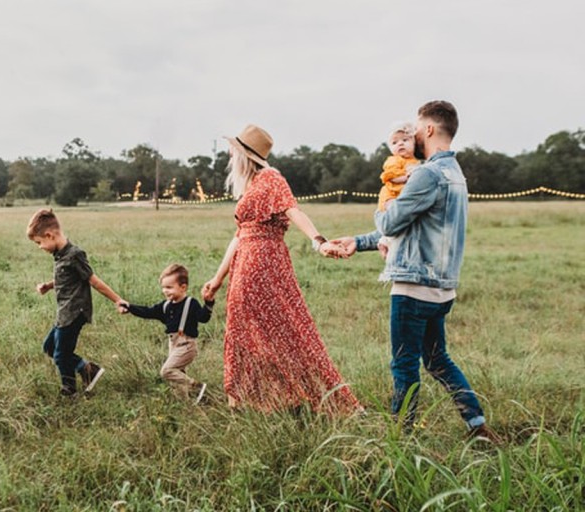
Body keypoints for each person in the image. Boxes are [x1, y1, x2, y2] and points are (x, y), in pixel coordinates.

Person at [334, 101, 500, 442]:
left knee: (404, 364)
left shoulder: (426, 174)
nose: (411, 135)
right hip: (442, 289)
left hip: (413, 287)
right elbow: (412, 227)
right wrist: (359, 242)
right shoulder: (455, 174)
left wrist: (383, 207)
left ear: (428, 129)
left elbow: (392, 221)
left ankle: (401, 436)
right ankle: (477, 425)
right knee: (438, 360)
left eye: (416, 128)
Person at [202, 124, 362, 414]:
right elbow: (239, 236)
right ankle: (249, 399)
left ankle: (291, 396)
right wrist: (217, 279)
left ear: (245, 155)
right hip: (245, 262)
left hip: (263, 263)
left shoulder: (271, 178)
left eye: (233, 151)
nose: (229, 155)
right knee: (243, 330)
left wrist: (318, 242)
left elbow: (293, 210)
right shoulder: (250, 185)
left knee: (284, 329)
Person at [27, 208, 123, 400]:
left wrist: (118, 300)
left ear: (49, 235)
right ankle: (87, 369)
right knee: (49, 348)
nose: (40, 247)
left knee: (62, 354)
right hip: (64, 313)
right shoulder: (60, 255)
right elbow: (68, 278)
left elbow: (93, 280)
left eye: (39, 242)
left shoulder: (75, 254)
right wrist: (48, 285)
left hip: (75, 312)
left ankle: (69, 390)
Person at [119, 264, 213, 404]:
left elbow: (203, 318)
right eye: (163, 287)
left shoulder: (190, 303)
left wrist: (209, 303)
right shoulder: (166, 306)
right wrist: (130, 307)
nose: (165, 291)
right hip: (173, 344)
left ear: (183, 287)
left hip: (187, 345)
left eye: (169, 287)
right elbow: (147, 312)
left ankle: (196, 387)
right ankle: (185, 402)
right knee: (178, 376)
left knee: (167, 371)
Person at [376, 122, 421, 255]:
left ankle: (386, 241)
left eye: (405, 140)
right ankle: (385, 241)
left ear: (414, 143)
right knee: (395, 215)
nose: (400, 144)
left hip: (404, 196)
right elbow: (391, 176)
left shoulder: (416, 162)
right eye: (395, 143)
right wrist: (406, 178)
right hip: (391, 195)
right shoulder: (394, 160)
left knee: (404, 220)